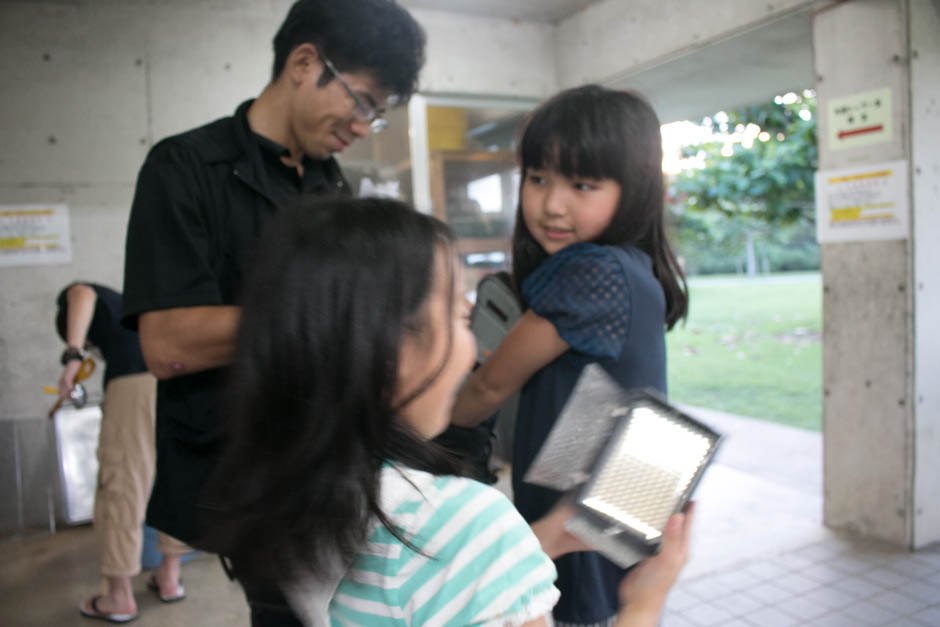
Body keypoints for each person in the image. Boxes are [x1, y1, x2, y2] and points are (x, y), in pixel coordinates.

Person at [203, 197, 694, 627]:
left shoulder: (298, 489)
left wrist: (542, 538)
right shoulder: (465, 521)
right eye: (463, 318)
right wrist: (644, 604)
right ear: (389, 350)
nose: (475, 345)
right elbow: (443, 553)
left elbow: (416, 587)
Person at [120, 1, 425, 624]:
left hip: (335, 463)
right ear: (304, 63)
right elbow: (168, 342)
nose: (365, 126)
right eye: (362, 101)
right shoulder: (184, 170)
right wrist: (333, 306)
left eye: (379, 113)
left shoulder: (329, 185)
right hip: (243, 471)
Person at [450, 85, 690, 626]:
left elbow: (490, 386)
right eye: (538, 178)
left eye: (582, 184)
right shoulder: (632, 267)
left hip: (575, 509)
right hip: (623, 495)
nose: (552, 205)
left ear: (634, 191)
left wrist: (424, 438)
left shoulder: (592, 272)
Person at [54, 282, 189, 623]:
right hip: (173, 378)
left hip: (134, 383)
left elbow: (81, 293)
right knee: (169, 478)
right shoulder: (125, 308)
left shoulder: (84, 294)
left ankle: (119, 597)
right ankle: (169, 578)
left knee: (122, 483)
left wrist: (72, 356)